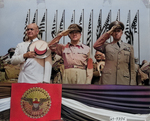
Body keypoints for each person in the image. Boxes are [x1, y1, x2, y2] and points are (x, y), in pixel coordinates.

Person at [93, 21, 136, 85]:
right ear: (111, 33)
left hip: (124, 80)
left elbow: (132, 67)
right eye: (114, 31)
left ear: (122, 33)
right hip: (108, 80)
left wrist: (132, 83)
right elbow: (96, 45)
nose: (116, 33)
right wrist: (108, 33)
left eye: (118, 31)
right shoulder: (107, 46)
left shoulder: (129, 47)